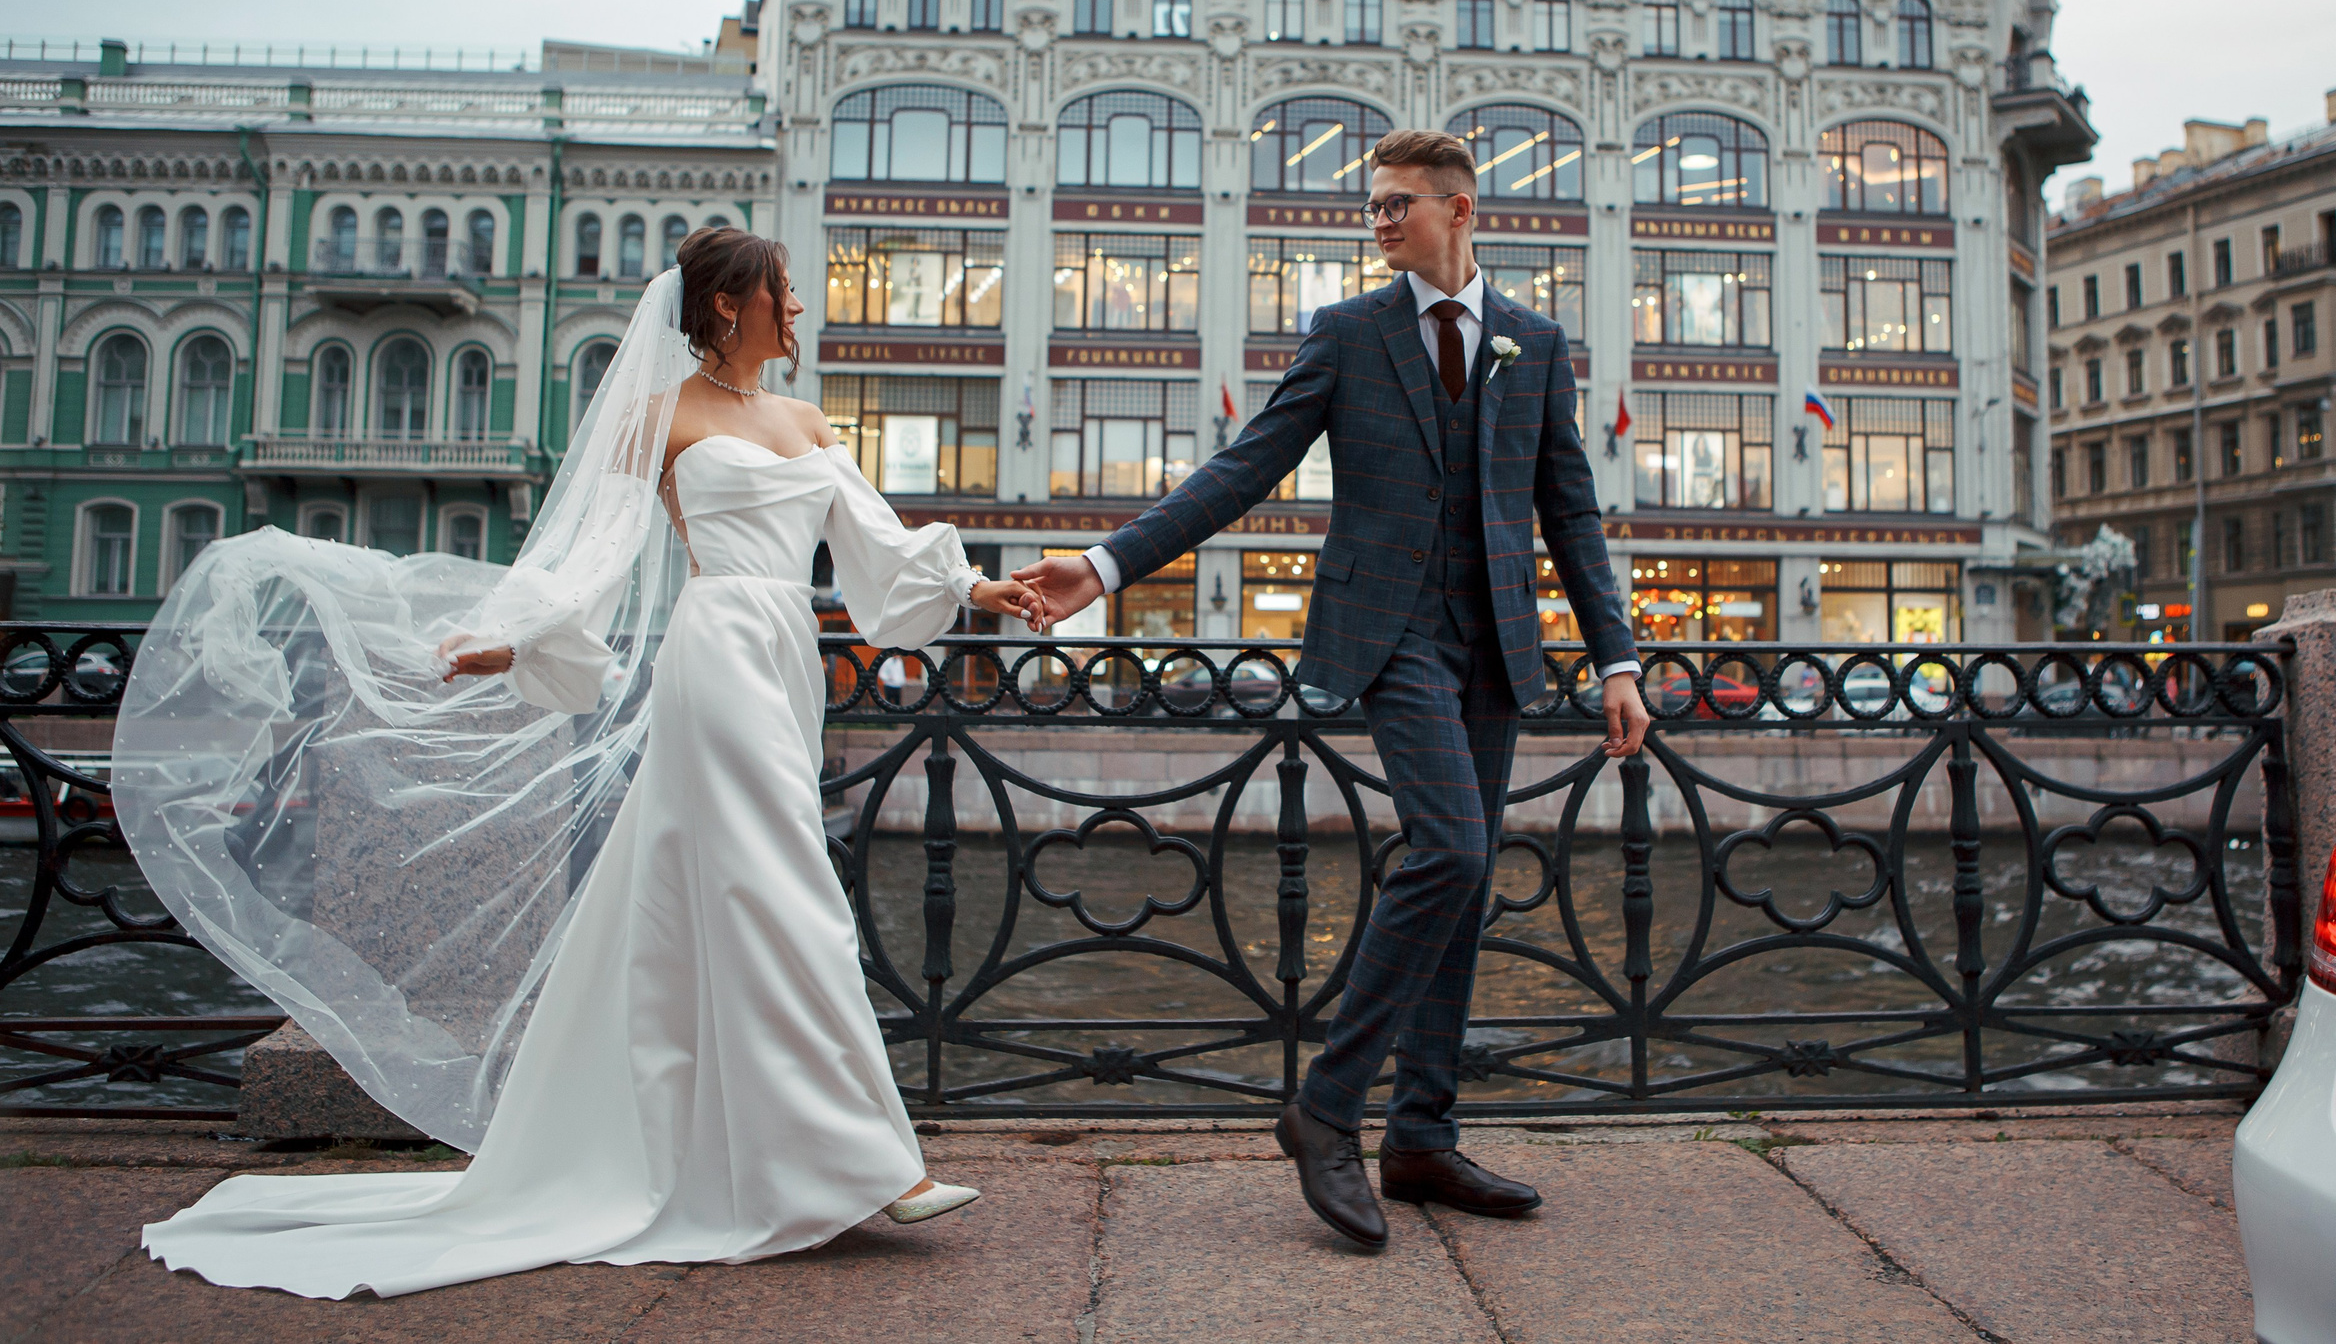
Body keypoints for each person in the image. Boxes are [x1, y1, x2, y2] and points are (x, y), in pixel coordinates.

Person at [114, 228, 1045, 1299]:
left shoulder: (805, 420)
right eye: (786, 294)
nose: (802, 313)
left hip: (789, 658)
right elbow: (595, 552)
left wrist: (981, 592)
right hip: (717, 656)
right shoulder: (659, 418)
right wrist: (520, 639)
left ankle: (760, 1155)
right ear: (730, 305)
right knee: (793, 894)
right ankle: (877, 1164)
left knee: (731, 903)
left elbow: (877, 546)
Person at [1012, 128, 1646, 1250]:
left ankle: (1421, 1138)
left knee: (1465, 880)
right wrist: (1106, 566)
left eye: (1398, 203)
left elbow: (1570, 511)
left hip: (1496, 641)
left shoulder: (1533, 344)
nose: (1379, 220)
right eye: (1374, 207)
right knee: (1450, 849)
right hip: (1387, 633)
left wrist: (1618, 658)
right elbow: (1246, 465)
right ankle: (1326, 1110)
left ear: (1459, 210)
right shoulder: (1348, 334)